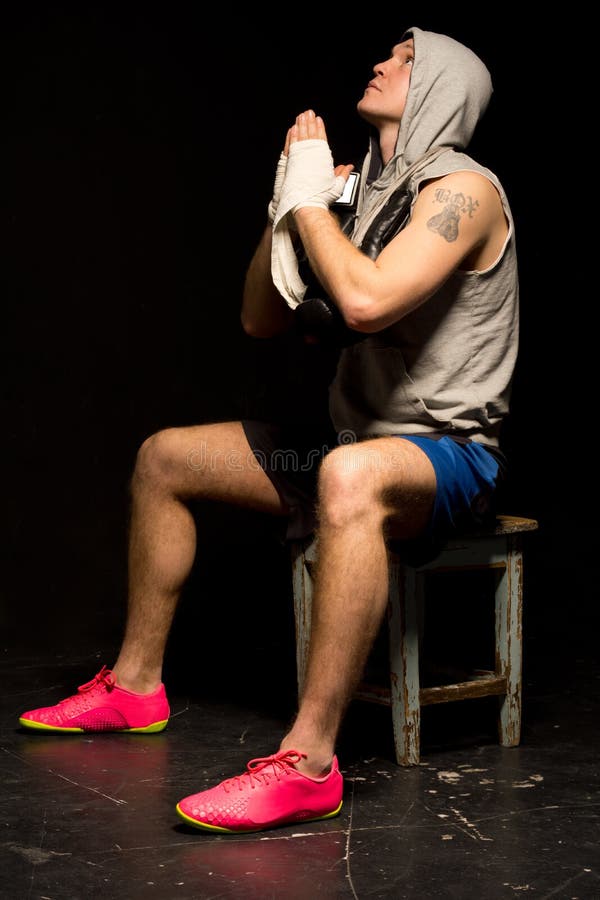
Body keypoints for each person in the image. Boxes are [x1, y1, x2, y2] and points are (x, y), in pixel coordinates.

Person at [19, 26, 519, 834]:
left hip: (448, 459)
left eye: (405, 58)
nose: (382, 62)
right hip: (345, 448)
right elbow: (260, 317)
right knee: (166, 457)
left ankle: (311, 763)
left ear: (441, 90)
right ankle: (136, 686)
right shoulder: (366, 197)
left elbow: (362, 302)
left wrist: (312, 207)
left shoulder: (463, 192)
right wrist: (290, 201)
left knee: (347, 476)